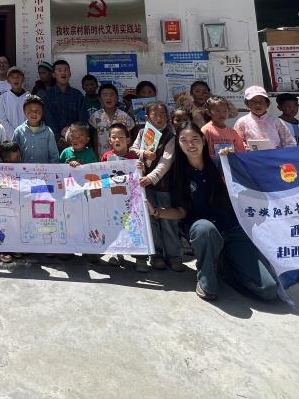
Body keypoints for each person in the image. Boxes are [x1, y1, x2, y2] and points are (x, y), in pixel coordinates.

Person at [162, 122, 278, 302]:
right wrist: (156, 212)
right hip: (203, 232)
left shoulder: (220, 163)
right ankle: (206, 276)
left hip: (231, 228)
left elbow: (247, 181)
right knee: (205, 228)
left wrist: (234, 160)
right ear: (178, 144)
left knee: (269, 290)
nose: (190, 144)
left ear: (203, 140)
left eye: (195, 139)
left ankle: (224, 264)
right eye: (184, 140)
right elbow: (181, 212)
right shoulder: (177, 174)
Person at [132, 101, 184, 272]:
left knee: (168, 221)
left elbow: (166, 162)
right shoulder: (142, 132)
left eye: (163, 114)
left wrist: (151, 177)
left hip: (164, 186)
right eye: (155, 115)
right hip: (145, 186)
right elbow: (132, 149)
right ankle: (156, 255)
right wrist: (143, 152)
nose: (159, 118)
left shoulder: (170, 136)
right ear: (148, 117)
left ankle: (174, 256)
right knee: (151, 221)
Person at [39, 60, 87, 140]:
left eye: (65, 70)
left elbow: (83, 118)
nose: (63, 73)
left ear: (70, 73)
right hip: (53, 140)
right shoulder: (47, 96)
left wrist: (71, 135)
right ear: (53, 75)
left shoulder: (77, 95)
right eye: (59, 70)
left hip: (75, 140)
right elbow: (47, 119)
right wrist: (58, 137)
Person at [89, 83, 136, 155]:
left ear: (117, 98)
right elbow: (95, 138)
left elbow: (129, 138)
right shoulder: (95, 116)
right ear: (100, 99)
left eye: (112, 95)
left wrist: (128, 155)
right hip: (102, 155)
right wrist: (96, 154)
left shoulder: (125, 116)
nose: (108, 98)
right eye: (105, 95)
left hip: (122, 156)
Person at [0, 141, 24, 264]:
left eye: (20, 155)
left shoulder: (23, 168)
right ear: (7, 159)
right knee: (2, 226)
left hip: (17, 206)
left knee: (16, 226)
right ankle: (3, 250)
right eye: (16, 156)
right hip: (2, 207)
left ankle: (16, 247)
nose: (20, 158)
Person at [11, 95, 58, 164]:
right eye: (30, 110)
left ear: (42, 112)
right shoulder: (18, 131)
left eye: (37, 111)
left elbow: (54, 156)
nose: (34, 113)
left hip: (43, 170)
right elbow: (13, 153)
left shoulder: (48, 132)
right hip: (24, 170)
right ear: (24, 111)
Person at [0, 66, 28, 133]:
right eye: (12, 77)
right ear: (8, 80)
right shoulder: (2, 98)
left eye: (18, 76)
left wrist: (24, 135)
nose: (15, 79)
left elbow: (31, 119)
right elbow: (3, 120)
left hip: (26, 135)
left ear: (23, 79)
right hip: (9, 137)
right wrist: (14, 135)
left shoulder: (29, 97)